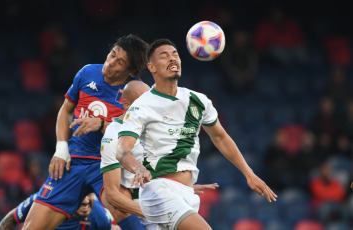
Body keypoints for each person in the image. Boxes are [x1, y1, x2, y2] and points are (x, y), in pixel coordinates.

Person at [115, 39, 277, 229]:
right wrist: (137, 167)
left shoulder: (198, 100)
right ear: (151, 67)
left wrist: (249, 174)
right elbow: (122, 149)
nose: (172, 58)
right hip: (159, 189)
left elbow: (220, 137)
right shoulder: (142, 105)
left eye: (175, 54)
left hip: (187, 192)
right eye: (164, 55)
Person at [22, 34, 149, 230]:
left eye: (119, 61)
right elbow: (66, 110)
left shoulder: (136, 93)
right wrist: (61, 148)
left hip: (108, 166)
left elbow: (139, 137)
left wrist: (102, 124)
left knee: (125, 213)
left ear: (131, 70)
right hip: (74, 161)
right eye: (112, 54)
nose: (110, 62)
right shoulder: (88, 72)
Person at [100, 80, 220, 228]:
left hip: (167, 199)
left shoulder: (154, 126)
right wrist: (153, 212)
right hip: (150, 213)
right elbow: (112, 195)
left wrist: (181, 185)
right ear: (126, 104)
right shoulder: (114, 136)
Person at [0, 193, 114, 230]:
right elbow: (11, 218)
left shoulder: (101, 217)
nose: (85, 201)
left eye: (89, 193)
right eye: (79, 195)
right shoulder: (44, 200)